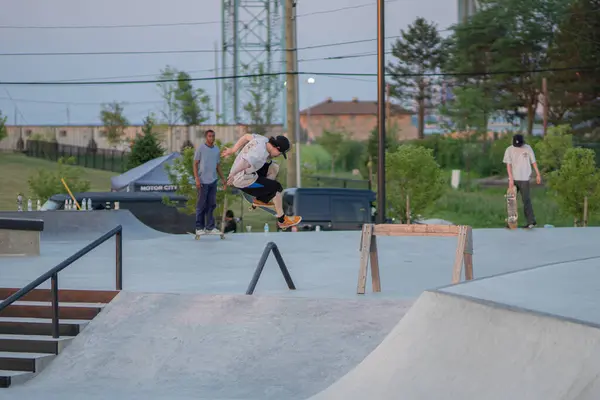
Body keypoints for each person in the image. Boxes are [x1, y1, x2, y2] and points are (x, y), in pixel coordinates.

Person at [221, 133, 302, 230]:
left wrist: (233, 150)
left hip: (250, 171)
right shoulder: (259, 154)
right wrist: (232, 176)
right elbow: (244, 163)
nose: (278, 156)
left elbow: (246, 136)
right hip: (243, 179)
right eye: (279, 153)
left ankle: (261, 198)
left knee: (274, 167)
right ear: (277, 147)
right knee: (277, 188)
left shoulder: (262, 140)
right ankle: (282, 221)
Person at [503, 133, 542, 229]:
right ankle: (511, 222)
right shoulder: (509, 149)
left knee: (526, 200)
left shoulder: (528, 148)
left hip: (524, 178)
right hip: (514, 178)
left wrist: (538, 174)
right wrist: (510, 178)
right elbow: (508, 165)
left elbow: (533, 161)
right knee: (511, 201)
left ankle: (531, 222)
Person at [193, 129, 226, 236]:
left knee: (211, 205)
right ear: (206, 137)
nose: (211, 138)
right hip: (203, 181)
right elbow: (195, 164)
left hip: (213, 181)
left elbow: (217, 166)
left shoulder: (216, 149)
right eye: (209, 136)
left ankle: (210, 227)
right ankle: (199, 227)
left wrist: (223, 178)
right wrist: (197, 178)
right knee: (201, 205)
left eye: (213, 136)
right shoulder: (201, 148)